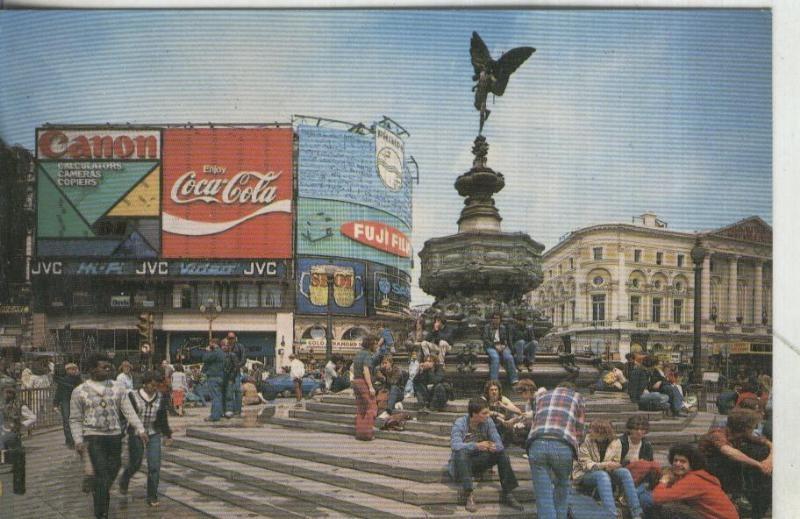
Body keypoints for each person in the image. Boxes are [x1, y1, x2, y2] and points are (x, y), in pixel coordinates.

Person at [70, 353, 147, 519]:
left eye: (109, 367)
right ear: (91, 369)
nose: (108, 369)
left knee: (114, 468)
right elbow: (75, 419)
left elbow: (128, 410)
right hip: (93, 437)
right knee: (103, 474)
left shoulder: (117, 387)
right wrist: (78, 440)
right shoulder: (79, 391)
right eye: (103, 367)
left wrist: (140, 429)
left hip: (114, 436)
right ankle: (102, 514)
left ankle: (95, 485)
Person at [449, 399, 523, 513]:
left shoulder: (488, 421)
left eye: (488, 412)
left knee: (502, 453)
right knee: (461, 452)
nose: (488, 416)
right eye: (484, 413)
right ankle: (469, 495)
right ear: (474, 414)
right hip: (460, 466)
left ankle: (508, 492)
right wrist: (476, 445)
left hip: (478, 462)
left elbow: (498, 442)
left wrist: (494, 447)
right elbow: (455, 445)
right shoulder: (460, 423)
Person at [527, 381, 586, 519]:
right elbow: (580, 430)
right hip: (563, 445)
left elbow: (536, 419)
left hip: (537, 443)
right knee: (563, 487)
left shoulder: (540, 396)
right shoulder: (577, 397)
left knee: (543, 495)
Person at [699, 407, 772, 519]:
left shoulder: (743, 434)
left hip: (725, 469)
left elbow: (770, 444)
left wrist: (768, 461)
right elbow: (729, 452)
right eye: (753, 426)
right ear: (745, 427)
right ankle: (734, 496)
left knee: (761, 450)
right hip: (708, 468)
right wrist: (759, 464)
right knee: (734, 460)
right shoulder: (718, 433)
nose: (755, 429)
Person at [638, 443, 738, 519]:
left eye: (683, 461)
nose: (677, 464)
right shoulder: (697, 476)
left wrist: (663, 481)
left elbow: (657, 498)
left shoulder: (693, 480)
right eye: (675, 460)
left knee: (668, 509)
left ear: (692, 464)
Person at [118, 370, 173, 507]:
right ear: (145, 384)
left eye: (156, 386)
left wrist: (168, 434)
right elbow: (124, 416)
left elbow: (162, 418)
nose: (154, 389)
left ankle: (152, 496)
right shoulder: (132, 396)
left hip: (153, 433)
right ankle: (124, 479)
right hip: (135, 433)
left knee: (154, 465)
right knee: (135, 463)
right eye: (152, 386)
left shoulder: (161, 397)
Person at [572, 420, 643, 519]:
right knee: (602, 475)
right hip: (585, 475)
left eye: (592, 430)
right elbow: (586, 465)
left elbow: (616, 461)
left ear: (602, 432)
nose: (589, 432)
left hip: (606, 472)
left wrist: (614, 466)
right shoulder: (585, 441)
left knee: (624, 472)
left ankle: (636, 512)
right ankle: (611, 514)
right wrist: (606, 465)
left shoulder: (616, 442)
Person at [0, 383, 36, 495]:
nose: (8, 394)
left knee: (18, 461)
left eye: (11, 392)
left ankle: (19, 489)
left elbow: (33, 417)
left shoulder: (20, 405)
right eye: (6, 391)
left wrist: (22, 425)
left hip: (13, 435)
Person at [618, 415, 660, 485]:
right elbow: (615, 462)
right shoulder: (621, 442)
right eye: (636, 429)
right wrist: (631, 462)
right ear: (629, 429)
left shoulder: (647, 445)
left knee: (655, 466)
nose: (639, 432)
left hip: (641, 471)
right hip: (624, 470)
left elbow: (650, 461)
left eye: (642, 429)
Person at [352, 335, 378, 441]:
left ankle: (360, 434)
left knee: (361, 409)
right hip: (363, 382)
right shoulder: (367, 355)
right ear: (371, 344)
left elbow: (352, 368)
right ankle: (367, 434)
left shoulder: (358, 354)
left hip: (356, 381)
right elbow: (366, 370)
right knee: (371, 407)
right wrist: (371, 387)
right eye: (376, 343)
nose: (377, 346)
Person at [482, 313, 518, 385]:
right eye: (494, 318)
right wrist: (495, 346)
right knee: (495, 358)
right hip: (491, 346)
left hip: (502, 346)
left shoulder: (503, 327)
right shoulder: (487, 327)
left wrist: (503, 346)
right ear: (492, 319)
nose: (496, 320)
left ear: (500, 320)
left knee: (509, 357)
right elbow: (486, 340)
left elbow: (505, 339)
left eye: (497, 318)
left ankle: (514, 380)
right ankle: (493, 382)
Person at [482, 380, 522, 444]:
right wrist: (497, 414)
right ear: (488, 391)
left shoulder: (503, 399)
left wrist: (504, 406)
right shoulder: (484, 399)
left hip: (501, 425)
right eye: (491, 390)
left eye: (496, 390)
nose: (494, 392)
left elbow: (519, 411)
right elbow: (481, 412)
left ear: (498, 391)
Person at [52, 362, 82, 449]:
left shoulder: (78, 380)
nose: (72, 370)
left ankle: (75, 439)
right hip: (66, 401)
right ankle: (70, 440)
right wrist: (55, 403)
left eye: (74, 369)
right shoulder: (64, 380)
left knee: (74, 420)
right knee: (67, 420)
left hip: (75, 401)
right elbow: (59, 392)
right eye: (70, 369)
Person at [197, 340, 226, 422]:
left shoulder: (215, 352)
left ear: (214, 344)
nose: (209, 345)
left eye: (210, 344)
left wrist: (207, 351)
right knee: (219, 396)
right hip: (221, 377)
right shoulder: (222, 353)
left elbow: (205, 359)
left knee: (215, 397)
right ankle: (219, 413)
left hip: (213, 377)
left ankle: (215, 416)